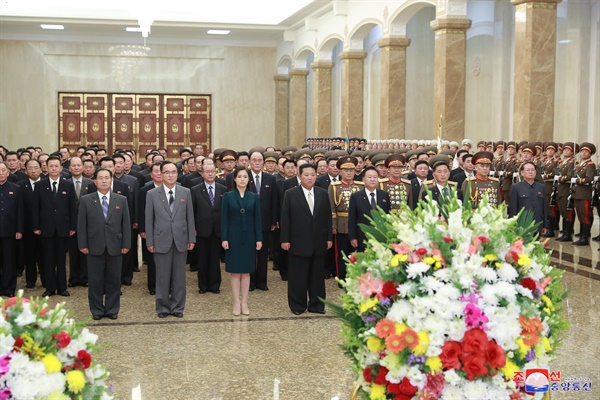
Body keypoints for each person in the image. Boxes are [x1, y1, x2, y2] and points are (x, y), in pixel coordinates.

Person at [78, 168, 131, 320]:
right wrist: (83, 244)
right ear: (95, 181)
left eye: (107, 178)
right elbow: (81, 224)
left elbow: (125, 224)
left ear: (111, 180)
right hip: (94, 246)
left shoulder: (121, 200)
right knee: (95, 281)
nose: (104, 181)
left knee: (114, 280)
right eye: (100, 178)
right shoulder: (86, 200)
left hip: (115, 245)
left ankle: (112, 309)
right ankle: (96, 310)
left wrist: (126, 243)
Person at [280, 163, 333, 315]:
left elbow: (327, 218)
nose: (310, 178)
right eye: (306, 175)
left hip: (319, 241)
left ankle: (317, 305)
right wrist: (285, 239)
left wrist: (329, 237)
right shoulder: (291, 194)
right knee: (298, 276)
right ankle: (297, 305)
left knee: (317, 277)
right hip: (298, 241)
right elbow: (285, 218)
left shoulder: (322, 193)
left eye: (312, 175)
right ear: (299, 176)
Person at [145, 161, 196, 318]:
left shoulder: (185, 192)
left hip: (181, 239)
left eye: (173, 172)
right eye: (167, 172)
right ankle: (162, 307)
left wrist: (191, 238)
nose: (171, 175)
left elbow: (190, 217)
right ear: (160, 174)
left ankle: (178, 307)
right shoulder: (152, 194)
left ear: (178, 174)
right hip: (161, 240)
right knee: (162, 277)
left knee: (179, 277)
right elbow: (149, 219)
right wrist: (150, 242)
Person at [32, 155, 78, 297]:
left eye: (56, 166)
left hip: (63, 229)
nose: (53, 168)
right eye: (50, 166)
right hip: (46, 229)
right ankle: (50, 288)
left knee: (61, 259)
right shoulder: (40, 185)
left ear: (61, 168)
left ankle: (62, 288)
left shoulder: (68, 185)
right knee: (48, 259)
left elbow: (73, 208)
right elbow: (35, 208)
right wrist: (36, 226)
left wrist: (73, 227)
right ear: (46, 167)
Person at [221, 167, 262, 316]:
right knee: (235, 272)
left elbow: (258, 219)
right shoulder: (228, 196)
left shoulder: (254, 197)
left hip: (249, 237)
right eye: (240, 177)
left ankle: (244, 302)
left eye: (245, 177)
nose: (242, 179)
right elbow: (224, 219)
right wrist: (224, 238)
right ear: (235, 179)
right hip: (233, 237)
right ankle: (236, 303)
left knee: (246, 272)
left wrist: (259, 238)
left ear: (248, 180)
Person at [191, 161, 226, 294]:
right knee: (202, 259)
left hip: (217, 229)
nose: (210, 174)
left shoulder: (223, 188)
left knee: (215, 259)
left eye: (212, 171)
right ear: (202, 173)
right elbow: (192, 211)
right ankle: (203, 285)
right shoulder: (195, 189)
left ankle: (215, 285)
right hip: (201, 230)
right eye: (207, 171)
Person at [247, 151, 279, 291]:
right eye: (254, 160)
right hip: (248, 222)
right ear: (249, 161)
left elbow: (274, 201)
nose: (257, 162)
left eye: (260, 160)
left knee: (263, 253)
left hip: (265, 222)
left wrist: (274, 220)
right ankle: (251, 281)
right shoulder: (245, 176)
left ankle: (262, 281)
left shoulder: (270, 179)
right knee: (250, 253)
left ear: (264, 163)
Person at [348, 166, 390, 252]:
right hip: (363, 236)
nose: (372, 179)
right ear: (363, 179)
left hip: (381, 236)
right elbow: (352, 218)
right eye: (369, 177)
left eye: (375, 177)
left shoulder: (384, 195)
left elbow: (387, 216)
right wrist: (353, 237)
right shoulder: (356, 196)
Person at [67, 156, 93, 287]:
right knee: (72, 252)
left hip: (87, 223)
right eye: (74, 165)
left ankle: (84, 277)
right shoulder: (65, 183)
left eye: (79, 165)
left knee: (85, 251)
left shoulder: (91, 183)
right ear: (69, 168)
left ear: (83, 167)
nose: (76, 168)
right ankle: (73, 278)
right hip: (71, 224)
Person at [0, 161, 24, 297]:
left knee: (9, 261)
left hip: (10, 231)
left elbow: (20, 211)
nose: (0, 173)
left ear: (8, 172)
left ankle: (9, 289)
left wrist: (19, 230)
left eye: (3, 170)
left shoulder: (16, 188)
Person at [571, 142, 596, 246]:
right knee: (580, 215)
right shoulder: (579, 165)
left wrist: (576, 181)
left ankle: (585, 237)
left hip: (584, 193)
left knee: (585, 215)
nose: (583, 153)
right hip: (577, 193)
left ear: (590, 154)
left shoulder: (590, 165)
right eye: (582, 151)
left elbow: (589, 178)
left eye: (586, 152)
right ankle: (582, 235)